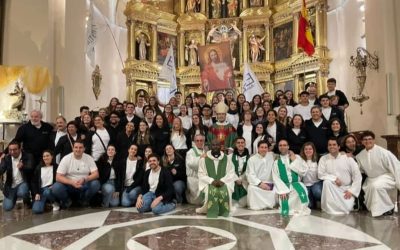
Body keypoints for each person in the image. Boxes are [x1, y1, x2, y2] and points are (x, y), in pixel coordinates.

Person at [356, 131, 400, 217]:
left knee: (376, 186)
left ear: (374, 140)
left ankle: (388, 208)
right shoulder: (360, 156)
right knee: (370, 187)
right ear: (362, 142)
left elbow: (396, 166)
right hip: (371, 179)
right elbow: (359, 170)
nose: (367, 141)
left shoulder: (384, 152)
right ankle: (377, 209)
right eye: (365, 139)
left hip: (386, 176)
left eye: (370, 139)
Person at [318, 138, 362, 215]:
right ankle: (329, 208)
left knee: (347, 209)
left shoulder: (348, 158)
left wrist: (352, 191)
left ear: (339, 147)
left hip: (346, 189)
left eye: (334, 144)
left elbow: (357, 176)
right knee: (327, 182)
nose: (332, 146)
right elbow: (320, 174)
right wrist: (334, 178)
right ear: (327, 147)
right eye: (330, 145)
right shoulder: (323, 158)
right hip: (332, 188)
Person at [52, 140, 100, 208]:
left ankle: (84, 200)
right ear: (73, 148)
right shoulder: (66, 158)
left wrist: (85, 179)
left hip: (84, 184)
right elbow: (58, 177)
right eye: (76, 147)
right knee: (56, 187)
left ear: (84, 149)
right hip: (69, 185)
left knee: (96, 183)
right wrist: (71, 182)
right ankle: (67, 201)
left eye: (80, 147)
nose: (78, 149)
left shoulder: (89, 158)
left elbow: (96, 174)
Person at [197, 139, 238, 218]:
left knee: (226, 190)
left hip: (224, 182)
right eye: (213, 145)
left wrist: (223, 180)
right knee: (210, 191)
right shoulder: (204, 159)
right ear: (210, 146)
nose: (215, 147)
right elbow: (201, 174)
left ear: (221, 146)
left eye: (217, 145)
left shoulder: (226, 158)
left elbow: (231, 172)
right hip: (209, 183)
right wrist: (211, 181)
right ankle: (210, 209)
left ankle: (223, 210)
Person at [272, 139, 310, 216]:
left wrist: (294, 160)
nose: (283, 147)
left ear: (288, 146)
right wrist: (282, 191)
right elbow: (275, 178)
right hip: (284, 187)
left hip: (297, 184)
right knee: (286, 203)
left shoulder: (297, 157)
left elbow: (304, 171)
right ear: (278, 147)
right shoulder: (276, 162)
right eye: (280, 145)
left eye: (285, 145)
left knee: (301, 198)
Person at [0, 140, 33, 211]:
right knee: (7, 208)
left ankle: (27, 201)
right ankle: (13, 197)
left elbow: (30, 169)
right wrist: (1, 161)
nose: (12, 152)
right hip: (11, 185)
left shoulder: (27, 156)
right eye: (10, 150)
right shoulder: (6, 158)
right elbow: (1, 169)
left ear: (20, 149)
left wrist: (23, 167)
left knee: (22, 192)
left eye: (15, 149)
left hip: (22, 183)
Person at [246, 140, 277, 210]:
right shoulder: (252, 159)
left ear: (268, 149)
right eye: (262, 147)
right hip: (257, 184)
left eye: (265, 147)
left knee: (277, 189)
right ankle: (256, 206)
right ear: (258, 148)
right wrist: (260, 184)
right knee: (251, 189)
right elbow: (250, 174)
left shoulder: (271, 156)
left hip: (270, 183)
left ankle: (270, 205)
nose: (264, 149)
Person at [229, 137, 250, 208]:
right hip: (233, 180)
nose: (240, 144)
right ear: (235, 144)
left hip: (244, 180)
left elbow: (249, 170)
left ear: (245, 144)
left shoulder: (250, 158)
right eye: (238, 143)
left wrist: (241, 178)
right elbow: (229, 170)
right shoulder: (229, 157)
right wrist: (236, 178)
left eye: (242, 142)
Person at [299, 142, 322, 209]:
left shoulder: (318, 159)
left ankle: (318, 200)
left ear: (313, 150)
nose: (308, 151)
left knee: (317, 192)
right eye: (306, 149)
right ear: (303, 151)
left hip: (316, 182)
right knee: (309, 206)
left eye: (310, 149)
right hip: (306, 185)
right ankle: (312, 200)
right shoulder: (300, 160)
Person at [185, 134, 207, 205]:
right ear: (194, 142)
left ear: (204, 141)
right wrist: (201, 158)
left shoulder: (205, 151)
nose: (199, 142)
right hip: (193, 179)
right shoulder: (190, 152)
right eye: (197, 141)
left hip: (203, 178)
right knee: (196, 201)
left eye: (201, 140)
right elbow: (191, 164)